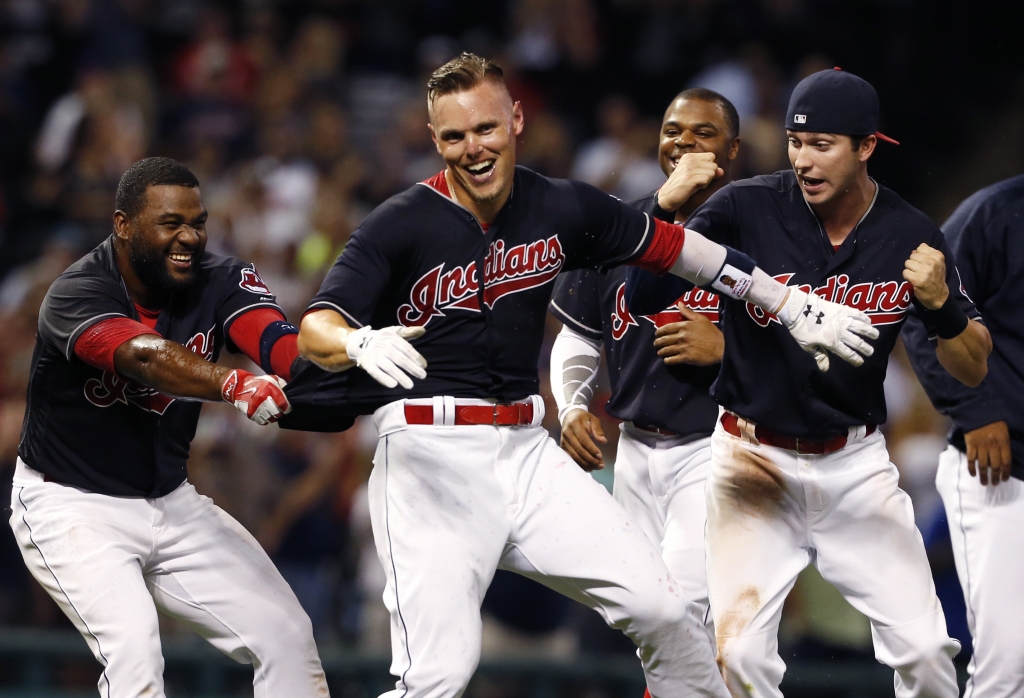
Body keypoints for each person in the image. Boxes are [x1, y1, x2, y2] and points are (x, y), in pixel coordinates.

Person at [291, 53, 877, 698]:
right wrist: (355, 338)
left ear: (515, 120)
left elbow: (683, 250)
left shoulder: (561, 205)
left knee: (664, 611)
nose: (473, 148)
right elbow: (318, 324)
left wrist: (789, 304)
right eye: (454, 136)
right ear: (435, 141)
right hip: (430, 459)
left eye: (485, 128)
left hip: (525, 453)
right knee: (438, 676)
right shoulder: (398, 223)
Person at [626, 68, 991, 697]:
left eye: (823, 144)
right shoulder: (747, 208)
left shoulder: (909, 234)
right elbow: (643, 293)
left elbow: (972, 364)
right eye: (797, 142)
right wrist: (662, 207)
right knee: (739, 656)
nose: (804, 159)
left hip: (853, 467)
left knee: (930, 653)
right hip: (751, 459)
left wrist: (946, 309)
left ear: (867, 147)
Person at [9, 157, 330, 698]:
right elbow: (145, 357)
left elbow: (281, 348)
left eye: (197, 222)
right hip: (71, 505)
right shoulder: (77, 291)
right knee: (135, 654)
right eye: (170, 223)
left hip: (168, 500)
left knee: (286, 635)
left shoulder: (220, 278)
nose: (188, 236)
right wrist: (234, 385)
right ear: (123, 225)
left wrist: (342, 353)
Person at [548, 88, 740, 652]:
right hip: (633, 452)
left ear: (732, 148)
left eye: (703, 133)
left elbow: (802, 347)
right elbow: (577, 335)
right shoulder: (618, 225)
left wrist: (730, 349)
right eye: (673, 130)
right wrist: (573, 404)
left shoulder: (760, 230)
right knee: (647, 623)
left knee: (685, 611)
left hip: (718, 444)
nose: (684, 142)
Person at [903, 174, 1024, 698]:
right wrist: (975, 410)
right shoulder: (996, 214)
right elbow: (922, 312)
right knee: (1008, 665)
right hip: (1001, 471)